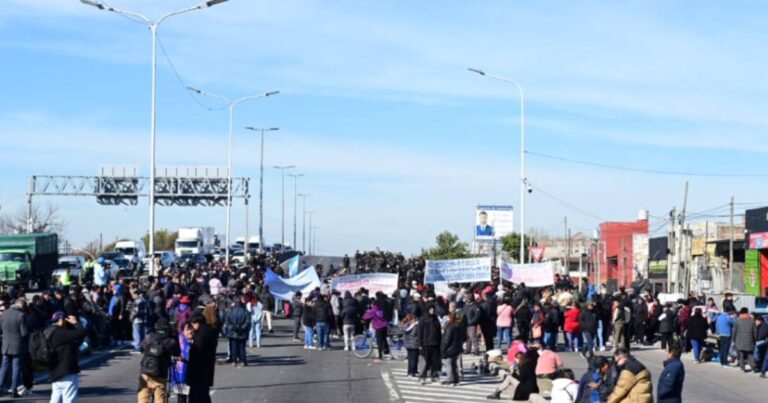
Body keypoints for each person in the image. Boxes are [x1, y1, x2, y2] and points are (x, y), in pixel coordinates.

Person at [137, 318, 180, 403]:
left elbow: (141, 347)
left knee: (143, 396)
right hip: (160, 374)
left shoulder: (150, 337)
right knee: (160, 397)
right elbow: (177, 352)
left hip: (145, 372)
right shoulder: (170, 341)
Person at [48, 311, 85, 403]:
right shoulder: (61, 333)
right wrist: (75, 322)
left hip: (54, 371)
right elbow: (80, 333)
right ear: (61, 320)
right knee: (69, 398)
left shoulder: (48, 332)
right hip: (66, 370)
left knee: (55, 397)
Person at [0, 298, 28, 398]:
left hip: (6, 345)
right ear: (22, 306)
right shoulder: (21, 315)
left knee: (4, 367)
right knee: (16, 368)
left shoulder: (4, 314)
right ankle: (14, 390)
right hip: (17, 345)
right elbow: (24, 333)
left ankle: (0, 388)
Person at [187, 315, 217, 403]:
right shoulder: (208, 332)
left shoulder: (200, 335)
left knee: (197, 394)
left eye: (193, 324)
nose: (193, 327)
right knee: (203, 393)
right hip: (206, 368)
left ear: (198, 323)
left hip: (199, 369)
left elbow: (197, 351)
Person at [224, 293, 251, 367]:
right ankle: (243, 361)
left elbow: (227, 321)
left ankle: (234, 361)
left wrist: (233, 327)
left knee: (233, 347)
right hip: (242, 331)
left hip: (233, 331)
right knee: (242, 347)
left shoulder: (230, 311)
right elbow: (248, 321)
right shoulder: (245, 311)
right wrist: (242, 327)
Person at [419, 305, 442, 385]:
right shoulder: (423, 319)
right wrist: (420, 343)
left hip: (435, 343)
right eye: (431, 309)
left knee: (434, 361)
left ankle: (434, 375)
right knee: (425, 361)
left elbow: (439, 331)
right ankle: (422, 377)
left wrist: (440, 342)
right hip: (426, 343)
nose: (432, 310)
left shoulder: (436, 318)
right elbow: (420, 332)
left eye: (433, 309)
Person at [171, 323, 194, 403]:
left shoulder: (196, 340)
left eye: (191, 329)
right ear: (183, 331)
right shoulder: (180, 341)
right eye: (187, 329)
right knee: (182, 397)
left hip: (194, 372)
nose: (190, 331)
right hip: (181, 373)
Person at [440, 312, 463, 386]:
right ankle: (456, 380)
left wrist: (443, 348)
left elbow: (447, 340)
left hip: (450, 348)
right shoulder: (459, 326)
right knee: (454, 364)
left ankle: (450, 379)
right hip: (457, 348)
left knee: (448, 364)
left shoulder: (450, 327)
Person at [732, 307, 756, 372]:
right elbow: (755, 332)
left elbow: (734, 331)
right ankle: (753, 367)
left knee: (741, 355)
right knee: (750, 355)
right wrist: (754, 340)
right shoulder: (751, 320)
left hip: (739, 341)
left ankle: (742, 368)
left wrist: (733, 340)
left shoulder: (738, 320)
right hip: (749, 341)